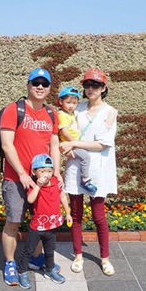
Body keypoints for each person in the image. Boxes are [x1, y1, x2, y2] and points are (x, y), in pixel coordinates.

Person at [0, 68, 63, 286]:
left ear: (49, 88)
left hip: (42, 181)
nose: (40, 87)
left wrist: (56, 173)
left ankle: (36, 258)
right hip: (16, 180)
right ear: (28, 85)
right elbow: (7, 145)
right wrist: (22, 174)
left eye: (44, 84)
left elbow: (54, 145)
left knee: (41, 222)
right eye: (35, 83)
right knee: (13, 222)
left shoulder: (51, 114)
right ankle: (10, 263)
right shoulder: (13, 110)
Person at [60, 68, 117, 276]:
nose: (90, 89)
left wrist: (74, 143)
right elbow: (63, 129)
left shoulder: (110, 112)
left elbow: (103, 144)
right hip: (76, 166)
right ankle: (78, 255)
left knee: (98, 215)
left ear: (103, 88)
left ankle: (105, 258)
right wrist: (65, 147)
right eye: (87, 85)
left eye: (95, 85)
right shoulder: (77, 108)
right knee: (76, 214)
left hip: (97, 169)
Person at [17, 154, 72, 289]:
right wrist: (38, 186)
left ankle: (49, 270)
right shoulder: (34, 184)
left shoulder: (56, 181)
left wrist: (68, 213)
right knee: (29, 250)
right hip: (38, 227)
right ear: (34, 172)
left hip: (52, 225)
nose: (46, 174)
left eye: (49, 170)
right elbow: (30, 200)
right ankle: (22, 271)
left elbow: (62, 196)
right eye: (42, 171)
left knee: (50, 250)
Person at [57, 86, 98, 195]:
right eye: (68, 102)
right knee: (85, 156)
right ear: (60, 101)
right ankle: (85, 179)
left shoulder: (70, 114)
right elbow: (64, 132)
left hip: (73, 143)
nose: (71, 106)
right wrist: (75, 143)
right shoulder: (62, 115)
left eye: (74, 103)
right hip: (70, 144)